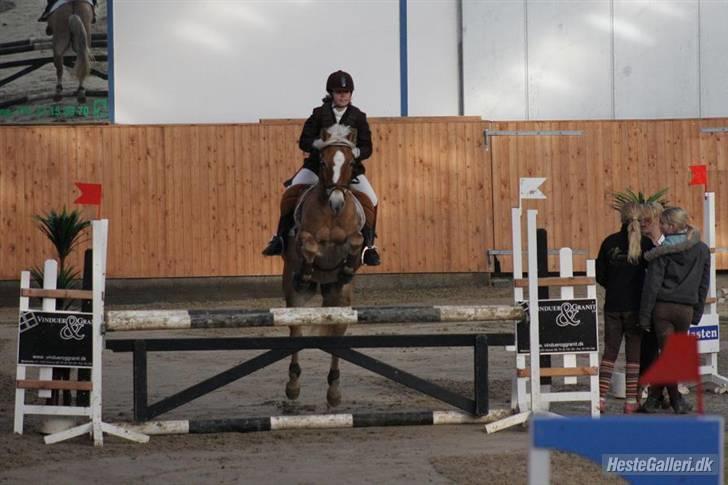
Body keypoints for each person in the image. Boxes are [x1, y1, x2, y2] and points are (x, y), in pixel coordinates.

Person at [262, 70, 381, 266]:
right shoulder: (319, 114)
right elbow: (304, 141)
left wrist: (357, 153)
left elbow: (367, 146)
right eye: (339, 92)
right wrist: (319, 145)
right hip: (317, 168)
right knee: (290, 192)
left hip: (348, 171)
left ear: (351, 94)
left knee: (373, 199)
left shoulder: (358, 116)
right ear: (331, 93)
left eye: (347, 92)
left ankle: (368, 246)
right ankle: (280, 238)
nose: (343, 95)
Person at [639, 207, 710, 414]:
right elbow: (703, 284)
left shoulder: (661, 252)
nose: (659, 226)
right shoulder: (702, 249)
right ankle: (653, 398)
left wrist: (644, 316)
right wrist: (697, 312)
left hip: (663, 308)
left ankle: (676, 400)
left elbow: (651, 285)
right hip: (686, 309)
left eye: (662, 223)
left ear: (671, 226)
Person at [595, 202, 653, 414]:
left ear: (622, 218)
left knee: (609, 352)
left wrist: (613, 286)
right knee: (633, 354)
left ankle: (600, 398)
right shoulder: (646, 244)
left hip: (613, 304)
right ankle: (630, 401)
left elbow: (600, 275)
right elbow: (653, 276)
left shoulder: (609, 242)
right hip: (636, 306)